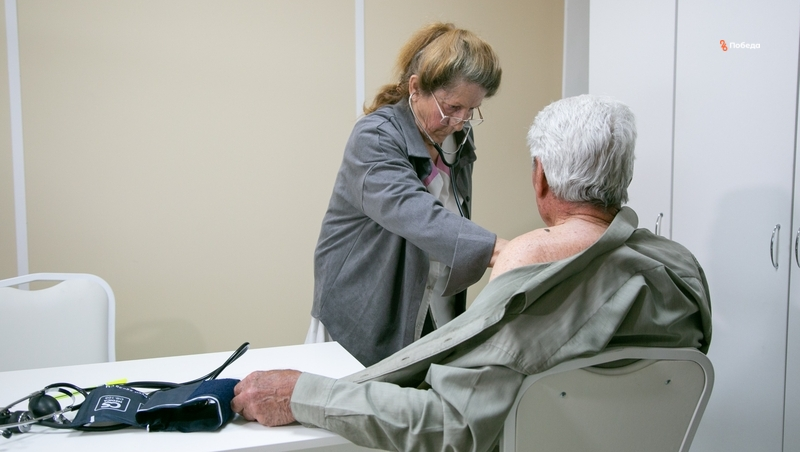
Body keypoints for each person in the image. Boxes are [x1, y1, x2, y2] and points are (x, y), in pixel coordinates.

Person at [233, 95, 713, 452]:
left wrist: (303, 394)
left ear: (540, 177)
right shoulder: (680, 276)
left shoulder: (532, 284)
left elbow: (451, 424)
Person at [308, 23, 507, 367]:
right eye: (452, 107)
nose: (460, 121)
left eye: (471, 109)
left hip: (427, 302)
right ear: (415, 88)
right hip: (364, 310)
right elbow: (417, 215)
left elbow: (454, 215)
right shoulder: (375, 137)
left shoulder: (456, 138)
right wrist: (502, 251)